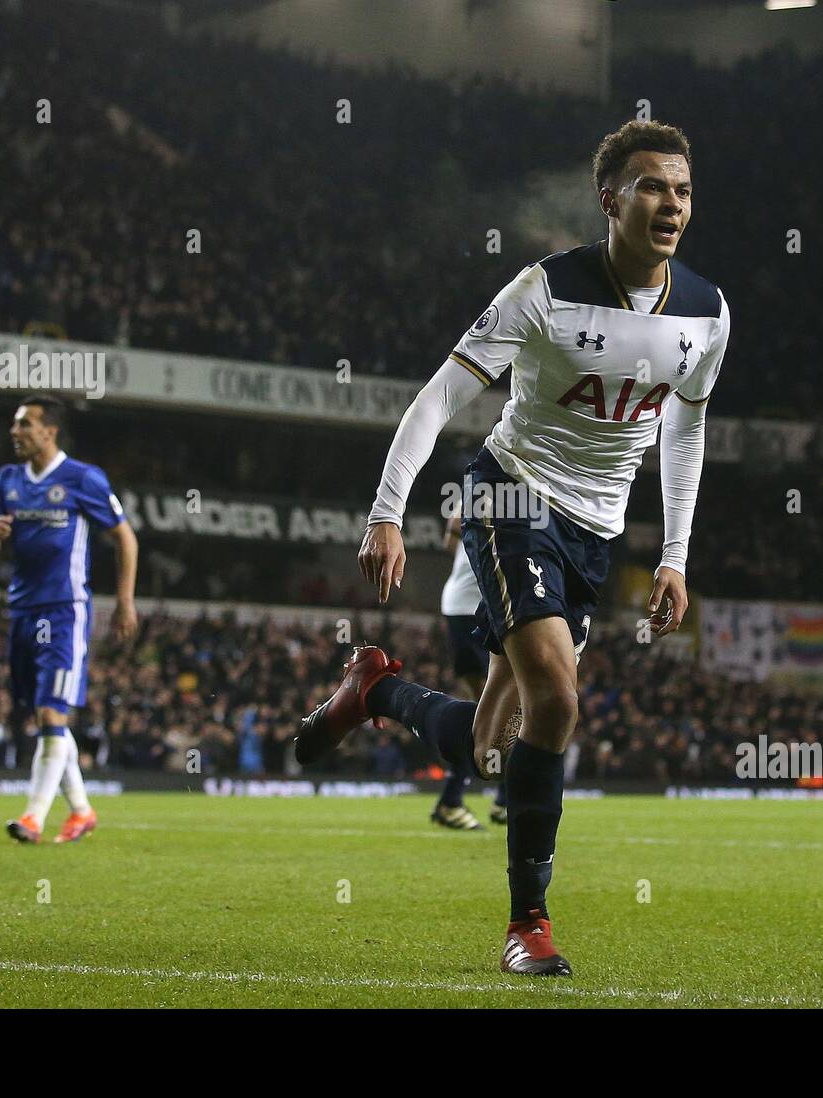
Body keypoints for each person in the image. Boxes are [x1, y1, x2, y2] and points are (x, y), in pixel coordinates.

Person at [295, 120, 729, 975]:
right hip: (511, 494)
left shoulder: (706, 312)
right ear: (610, 200)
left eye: (680, 189)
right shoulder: (543, 288)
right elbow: (439, 397)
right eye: (650, 186)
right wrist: (388, 510)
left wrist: (675, 555)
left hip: (597, 534)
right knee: (559, 705)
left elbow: (686, 429)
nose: (669, 203)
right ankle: (527, 924)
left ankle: (376, 692)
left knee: (491, 747)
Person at [0, 395, 139, 843]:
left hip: (65, 611)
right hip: (22, 611)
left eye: (24, 424)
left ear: (50, 431)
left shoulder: (81, 478)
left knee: (52, 711)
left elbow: (125, 537)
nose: (15, 432)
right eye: (15, 424)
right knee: (46, 716)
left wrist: (124, 601)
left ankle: (33, 817)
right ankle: (83, 811)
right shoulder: (8, 480)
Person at [431, 511, 505, 830]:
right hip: (467, 612)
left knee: (493, 709)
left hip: (471, 609)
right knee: (491, 711)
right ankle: (452, 801)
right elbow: (455, 521)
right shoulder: (504, 490)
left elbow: (450, 532)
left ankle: (502, 798)